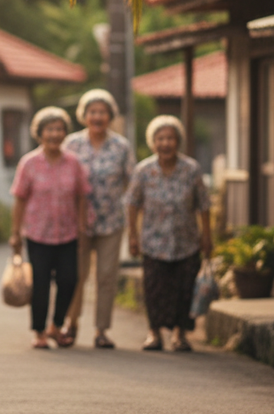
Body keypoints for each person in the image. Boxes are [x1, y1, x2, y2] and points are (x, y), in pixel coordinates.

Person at [126, 115, 212, 352]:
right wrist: (132, 236)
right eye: (160, 138)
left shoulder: (191, 169)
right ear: (153, 142)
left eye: (170, 138)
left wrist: (207, 236)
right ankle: (154, 333)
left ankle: (180, 335)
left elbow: (204, 205)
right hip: (153, 241)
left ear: (178, 141)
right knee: (154, 289)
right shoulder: (143, 170)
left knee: (184, 289)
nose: (165, 143)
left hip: (186, 241)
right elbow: (132, 203)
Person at [9, 106, 90, 349]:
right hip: (37, 234)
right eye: (49, 129)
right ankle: (39, 331)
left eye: (59, 129)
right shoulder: (29, 163)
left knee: (70, 280)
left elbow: (82, 197)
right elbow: (20, 199)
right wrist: (15, 233)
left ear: (65, 133)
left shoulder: (74, 163)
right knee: (41, 284)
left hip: (68, 233)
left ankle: (56, 325)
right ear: (39, 133)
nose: (55, 134)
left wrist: (83, 227)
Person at [62, 89, 135, 348]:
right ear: (84, 115)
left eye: (102, 112)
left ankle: (101, 330)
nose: (97, 116)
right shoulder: (71, 144)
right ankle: (70, 324)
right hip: (76, 223)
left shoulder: (121, 146)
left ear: (110, 116)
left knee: (106, 275)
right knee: (75, 275)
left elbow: (133, 183)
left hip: (111, 221)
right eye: (92, 111)